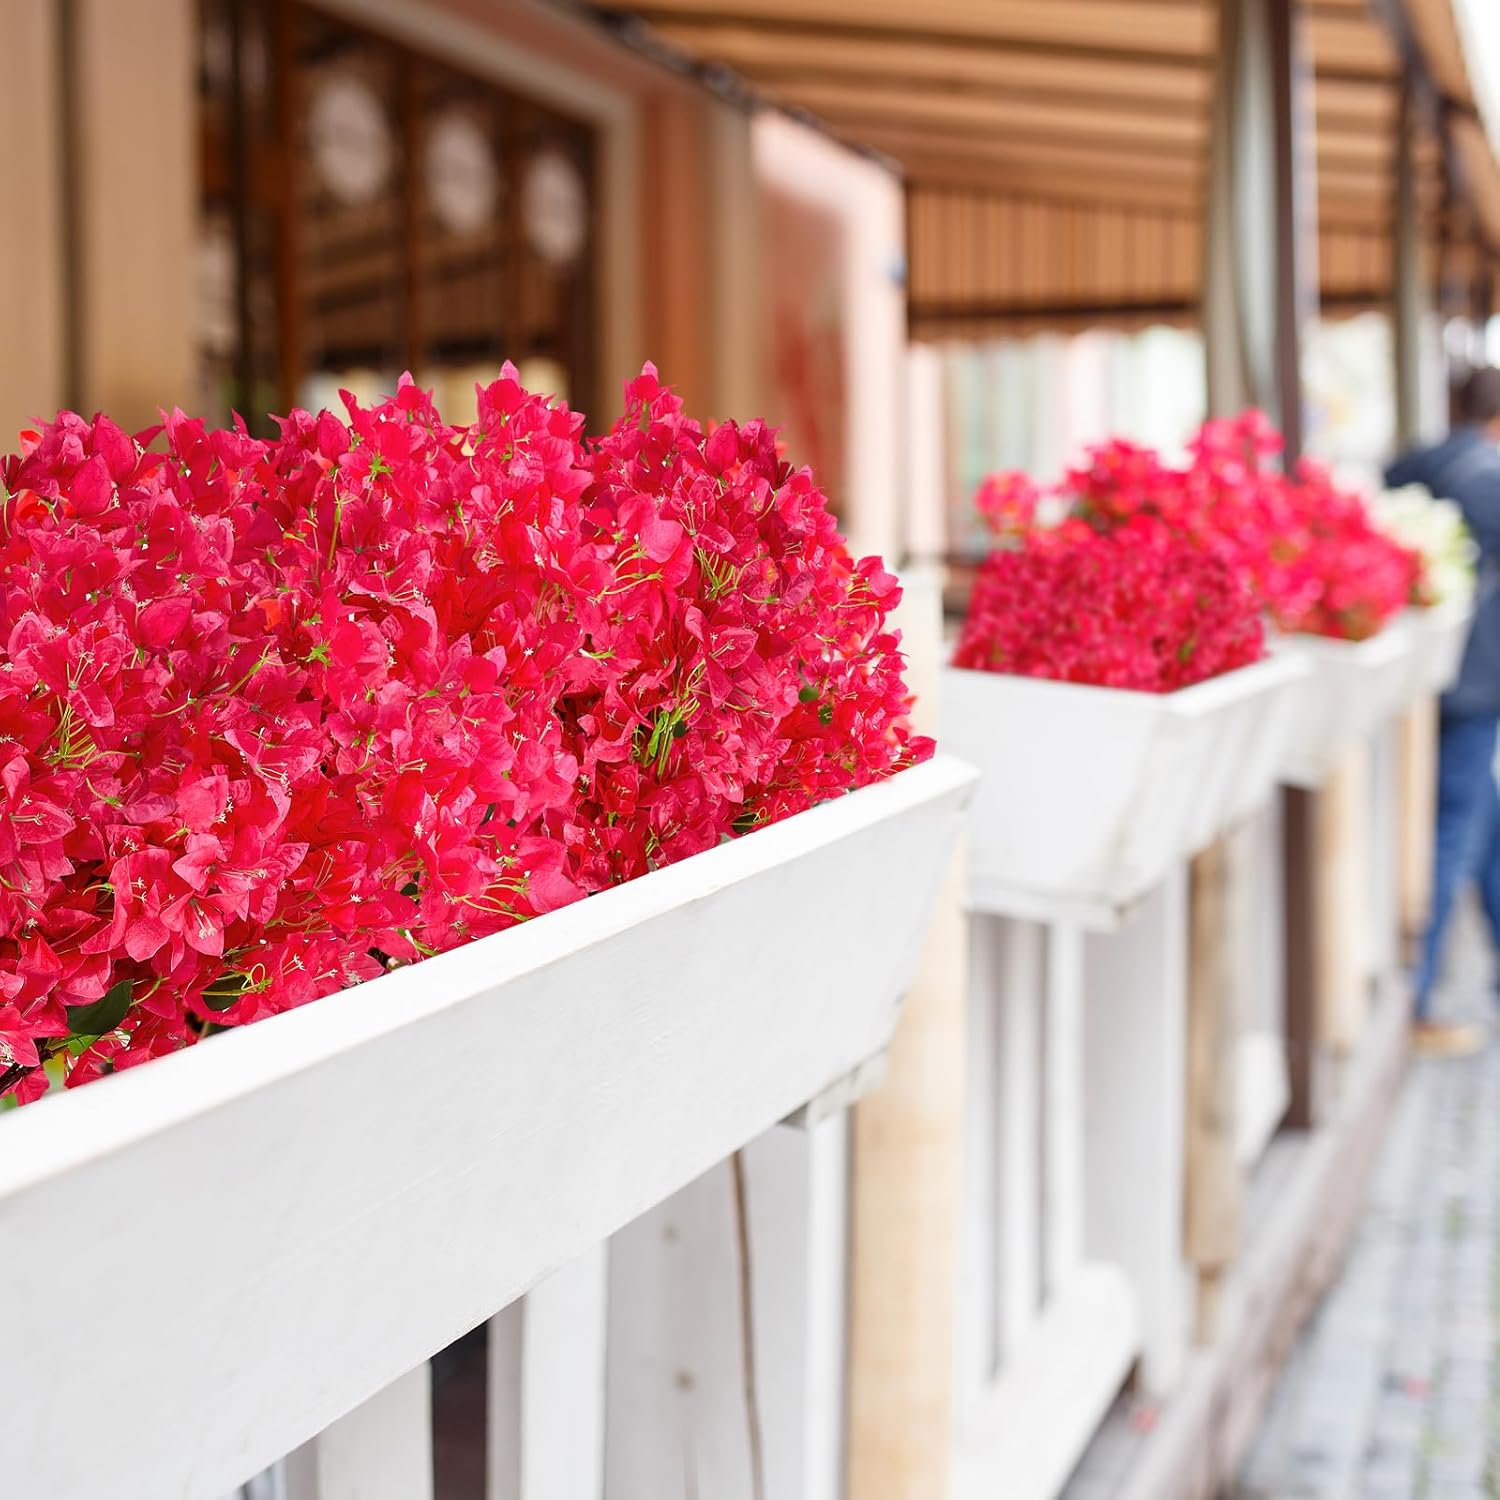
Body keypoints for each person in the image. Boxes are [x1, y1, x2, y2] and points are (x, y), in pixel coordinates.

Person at [1386, 366, 1500, 1055]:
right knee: (1454, 829)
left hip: (1439, 678)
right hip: (1473, 683)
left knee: (1478, 817)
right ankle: (1416, 998)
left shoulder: (1417, 464)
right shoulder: (1483, 476)